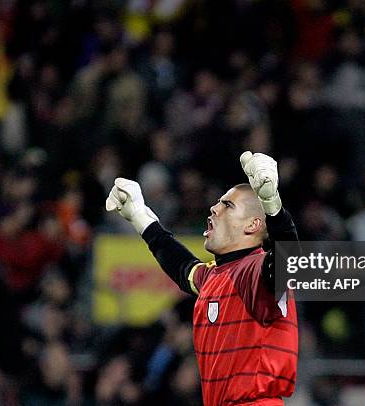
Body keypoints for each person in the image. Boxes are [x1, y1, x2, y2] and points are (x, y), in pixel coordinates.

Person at [106, 151, 299, 405]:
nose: (213, 208)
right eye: (218, 202)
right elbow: (182, 266)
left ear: (252, 225)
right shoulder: (217, 276)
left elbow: (289, 263)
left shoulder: (255, 270)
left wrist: (273, 205)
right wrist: (140, 216)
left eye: (227, 205)